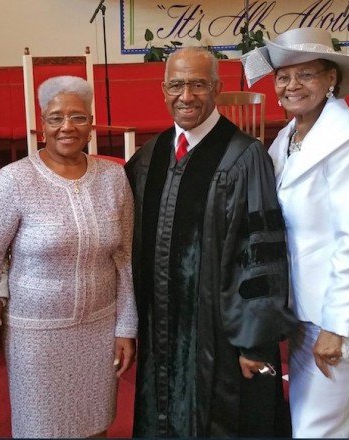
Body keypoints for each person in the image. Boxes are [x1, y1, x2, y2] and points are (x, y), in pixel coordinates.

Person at [125, 46, 296, 438]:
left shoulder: (244, 157)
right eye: (177, 85)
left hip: (218, 338)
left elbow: (260, 254)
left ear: (217, 88)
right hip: (160, 333)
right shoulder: (150, 156)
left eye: (199, 85)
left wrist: (254, 341)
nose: (187, 96)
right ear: (163, 89)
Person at [0, 75, 138, 438]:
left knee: (96, 425)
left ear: (91, 124)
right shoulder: (15, 180)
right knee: (42, 429)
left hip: (99, 329)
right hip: (35, 335)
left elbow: (125, 257)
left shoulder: (114, 177)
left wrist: (126, 327)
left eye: (78, 117)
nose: (67, 127)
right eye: (56, 118)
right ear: (42, 125)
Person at [241, 28, 349, 437]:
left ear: (331, 80)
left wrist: (336, 326)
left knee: (318, 428)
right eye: (284, 77)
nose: (292, 85)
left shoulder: (348, 138)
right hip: (305, 306)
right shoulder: (288, 135)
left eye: (306, 75)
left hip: (337, 311)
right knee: (335, 422)